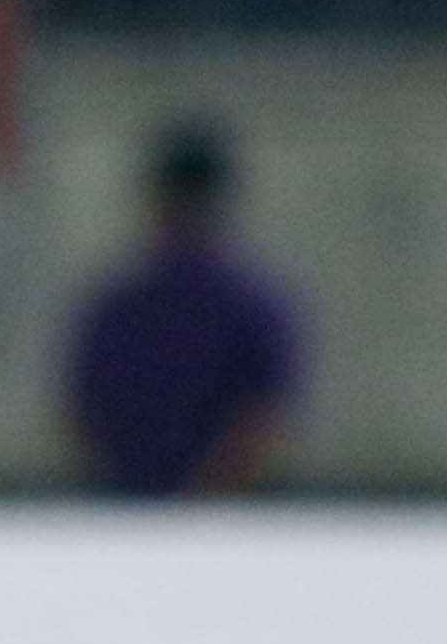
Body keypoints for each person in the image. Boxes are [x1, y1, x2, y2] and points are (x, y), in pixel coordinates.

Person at [65, 120, 304, 498]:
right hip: (214, 512)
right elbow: (265, 423)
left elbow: (80, 421)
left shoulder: (116, 307)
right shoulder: (254, 308)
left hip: (131, 508)